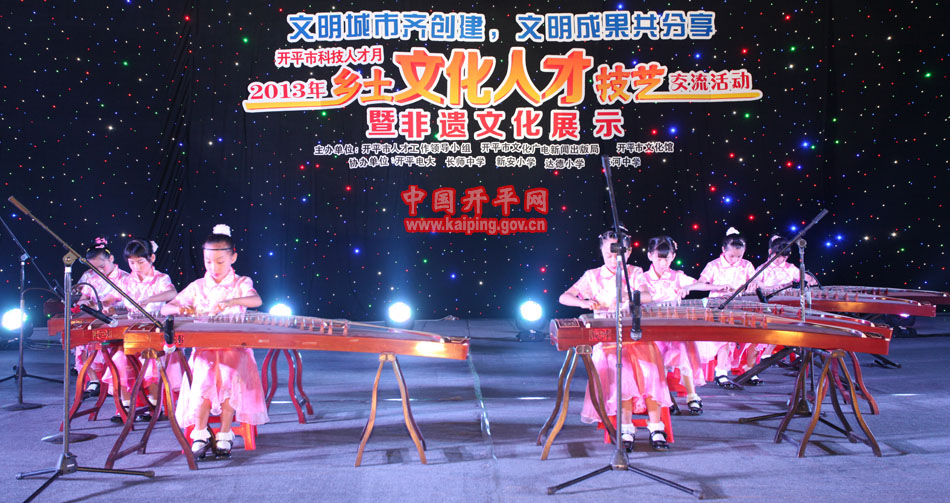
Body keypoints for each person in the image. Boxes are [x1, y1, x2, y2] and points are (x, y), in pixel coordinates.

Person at [558, 227, 672, 451]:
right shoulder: (593, 276)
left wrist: (628, 296)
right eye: (607, 255)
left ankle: (656, 427)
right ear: (601, 252)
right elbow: (564, 297)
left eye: (617, 255)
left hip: (636, 336)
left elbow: (647, 295)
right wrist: (583, 302)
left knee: (651, 372)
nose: (612, 260)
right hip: (609, 340)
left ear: (627, 252)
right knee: (623, 374)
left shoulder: (634, 272)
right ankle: (626, 427)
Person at [162, 225, 268, 460]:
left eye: (220, 262)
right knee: (204, 377)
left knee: (229, 377)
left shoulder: (241, 282)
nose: (213, 267)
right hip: (205, 350)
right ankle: (200, 434)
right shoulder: (198, 286)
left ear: (233, 257)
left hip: (234, 350)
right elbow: (166, 308)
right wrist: (181, 308)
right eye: (208, 262)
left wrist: (232, 301)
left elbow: (255, 300)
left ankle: (225, 433)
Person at [639, 236, 724, 415]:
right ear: (650, 255)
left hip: (674, 326)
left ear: (673, 256)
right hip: (651, 328)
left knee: (684, 354)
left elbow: (699, 285)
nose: (663, 263)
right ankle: (662, 396)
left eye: (667, 259)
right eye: (659, 258)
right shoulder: (642, 278)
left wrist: (719, 287)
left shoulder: (676, 276)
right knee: (657, 359)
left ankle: (692, 395)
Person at [100, 239, 179, 422]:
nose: (136, 267)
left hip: (155, 334)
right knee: (119, 359)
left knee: (149, 360)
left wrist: (149, 299)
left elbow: (172, 293)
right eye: (131, 263)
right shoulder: (127, 281)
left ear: (152, 258)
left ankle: (154, 406)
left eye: (141, 262)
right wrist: (107, 305)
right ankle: (126, 406)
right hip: (132, 333)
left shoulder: (161, 278)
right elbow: (111, 298)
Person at [696, 228, 757, 387]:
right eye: (731, 256)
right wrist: (718, 287)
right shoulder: (713, 265)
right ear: (723, 250)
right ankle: (721, 372)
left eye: (739, 256)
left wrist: (754, 285)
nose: (735, 260)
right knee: (725, 338)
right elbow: (699, 284)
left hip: (740, 306)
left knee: (753, 336)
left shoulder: (747, 265)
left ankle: (748, 369)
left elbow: (755, 283)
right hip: (718, 308)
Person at [75, 237, 129, 399]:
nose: (98, 270)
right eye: (94, 268)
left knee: (116, 349)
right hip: (96, 319)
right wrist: (86, 303)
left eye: (101, 266)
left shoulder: (125, 278)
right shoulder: (91, 278)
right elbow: (82, 299)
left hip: (117, 320)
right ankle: (94, 380)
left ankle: (115, 382)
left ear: (111, 259)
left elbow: (130, 304)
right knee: (81, 342)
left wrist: (111, 307)